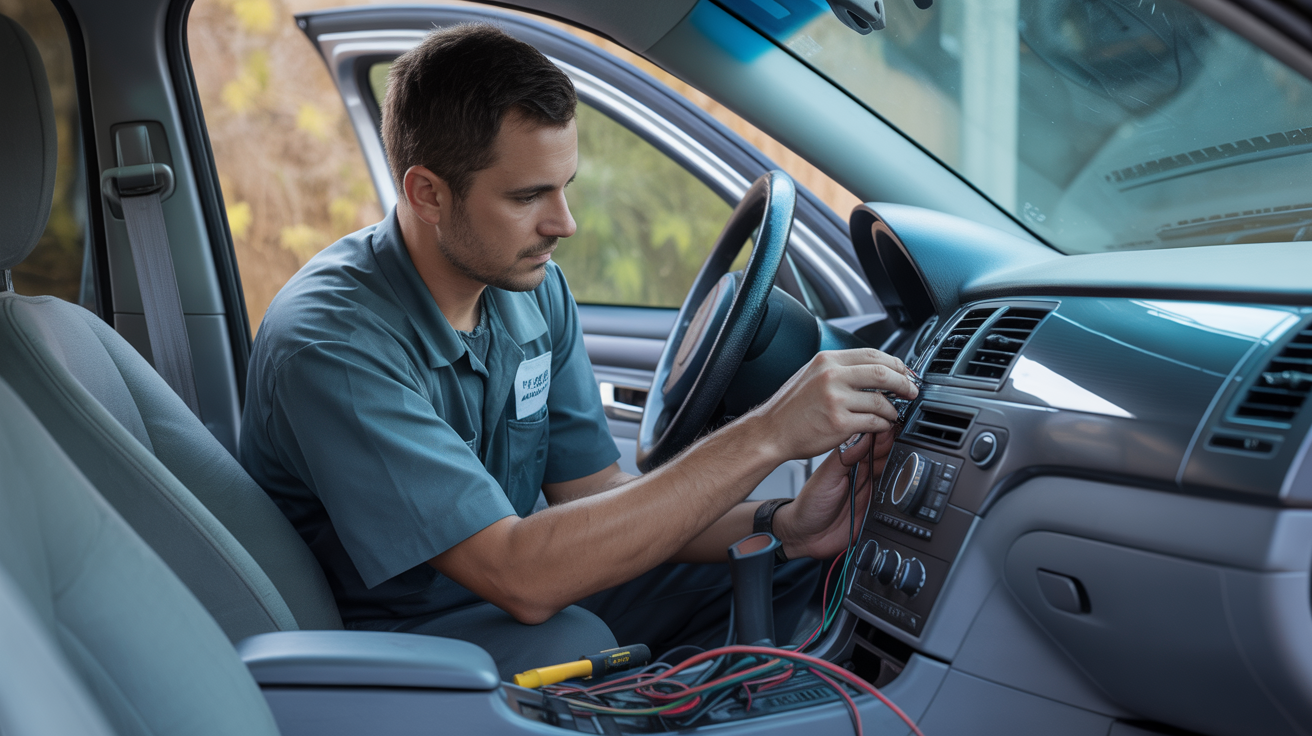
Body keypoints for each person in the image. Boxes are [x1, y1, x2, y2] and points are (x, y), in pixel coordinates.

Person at [239, 23, 917, 679]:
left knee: (777, 565)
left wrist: (787, 524)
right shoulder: (332, 343)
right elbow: (520, 574)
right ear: (428, 194)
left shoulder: (531, 290)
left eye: (566, 187)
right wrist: (769, 434)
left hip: (505, 588)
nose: (563, 224)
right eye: (529, 196)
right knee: (578, 640)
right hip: (390, 635)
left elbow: (600, 498)